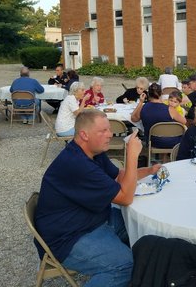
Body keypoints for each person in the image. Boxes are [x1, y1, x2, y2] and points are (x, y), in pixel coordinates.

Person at [34, 110, 161, 286]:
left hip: (92, 219)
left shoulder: (93, 152)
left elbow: (119, 177)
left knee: (142, 227)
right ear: (84, 135)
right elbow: (125, 198)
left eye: (109, 129)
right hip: (68, 237)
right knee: (124, 265)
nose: (110, 135)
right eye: (103, 131)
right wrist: (132, 156)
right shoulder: (77, 164)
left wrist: (148, 171)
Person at [130, 83, 186, 149]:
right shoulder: (170, 109)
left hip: (152, 141)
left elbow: (133, 118)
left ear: (148, 94)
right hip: (171, 140)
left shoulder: (144, 107)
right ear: (161, 93)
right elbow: (184, 121)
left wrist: (141, 102)